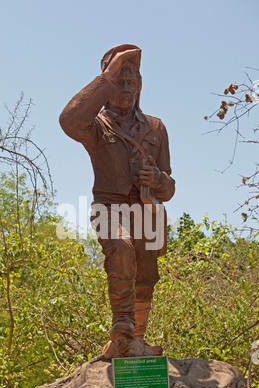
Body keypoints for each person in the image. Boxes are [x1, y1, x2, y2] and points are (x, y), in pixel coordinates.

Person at [59, 44, 175, 357]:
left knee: (146, 276)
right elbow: (69, 120)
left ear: (140, 85)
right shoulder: (96, 125)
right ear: (108, 85)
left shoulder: (156, 128)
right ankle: (122, 328)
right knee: (121, 249)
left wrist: (158, 180)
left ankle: (133, 340)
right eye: (118, 81)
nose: (126, 87)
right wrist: (106, 77)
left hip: (147, 213)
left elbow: (170, 186)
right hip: (109, 208)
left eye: (131, 81)